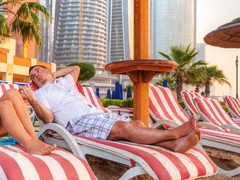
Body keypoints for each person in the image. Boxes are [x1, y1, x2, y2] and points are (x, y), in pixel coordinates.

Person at [20, 65, 200, 154]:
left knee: (136, 123)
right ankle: (173, 135)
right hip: (77, 123)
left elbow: (76, 68)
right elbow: (48, 119)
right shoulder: (42, 93)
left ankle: (174, 145)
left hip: (95, 114)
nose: (36, 75)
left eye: (38, 70)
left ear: (47, 70)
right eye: (33, 76)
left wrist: (55, 74)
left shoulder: (64, 81)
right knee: (126, 128)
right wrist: (32, 99)